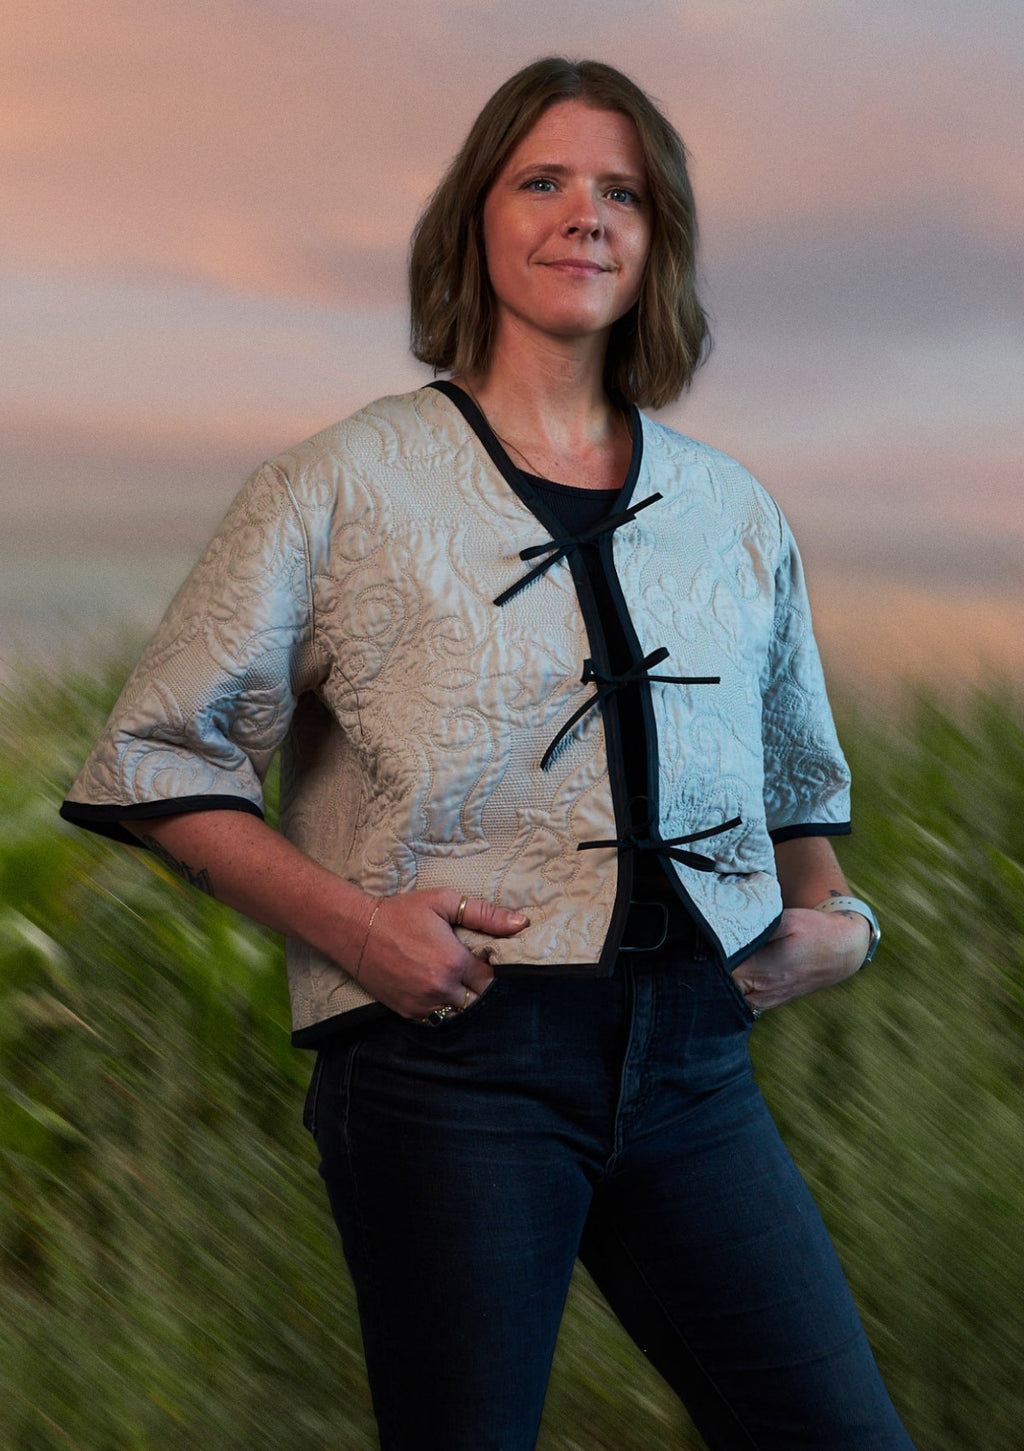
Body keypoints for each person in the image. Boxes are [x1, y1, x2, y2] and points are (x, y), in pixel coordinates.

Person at [60, 56, 915, 1451]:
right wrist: (359, 933)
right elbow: (158, 754)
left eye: (623, 192)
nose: (587, 214)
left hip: (697, 1069)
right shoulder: (338, 484)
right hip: (454, 1068)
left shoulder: (731, 509)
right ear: (477, 218)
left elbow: (787, 784)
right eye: (546, 180)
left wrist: (840, 925)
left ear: (657, 242)